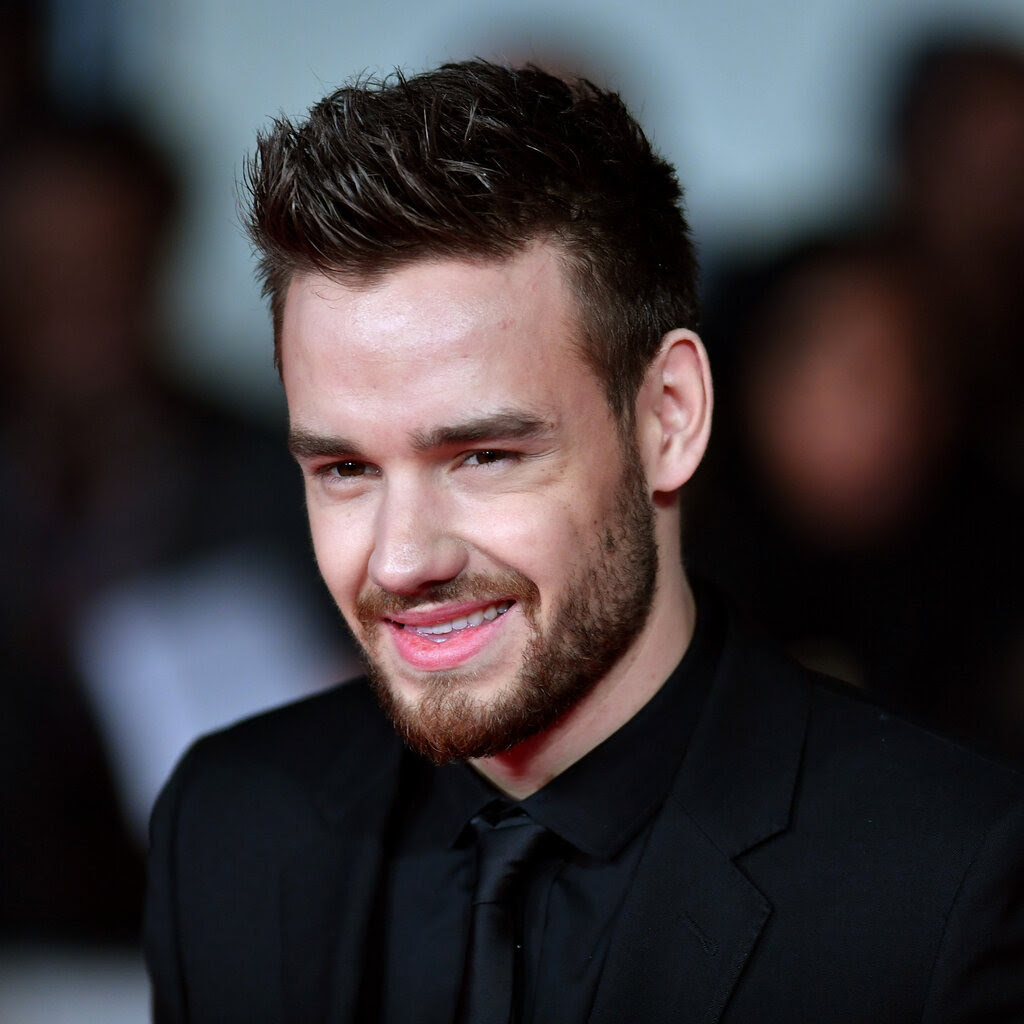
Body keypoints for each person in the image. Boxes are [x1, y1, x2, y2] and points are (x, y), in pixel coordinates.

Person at [143, 60, 1024, 1023]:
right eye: (345, 470)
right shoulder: (229, 829)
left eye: (482, 456)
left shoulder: (947, 875)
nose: (400, 559)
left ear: (668, 419)